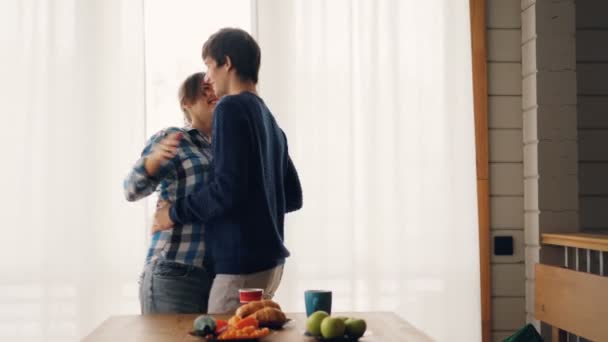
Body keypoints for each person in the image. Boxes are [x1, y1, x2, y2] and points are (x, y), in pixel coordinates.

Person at [153, 28, 303, 314]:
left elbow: (226, 190)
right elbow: (293, 197)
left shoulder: (230, 108)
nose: (207, 77)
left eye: (209, 65)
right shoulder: (271, 122)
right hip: (271, 267)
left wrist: (171, 212)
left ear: (227, 63)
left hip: (239, 268)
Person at [124, 72, 217, 313]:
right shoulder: (175, 138)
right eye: (205, 90)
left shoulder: (222, 147)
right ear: (186, 102)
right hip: (173, 271)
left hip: (210, 276)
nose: (213, 94)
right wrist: (152, 163)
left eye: (215, 90)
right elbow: (131, 189)